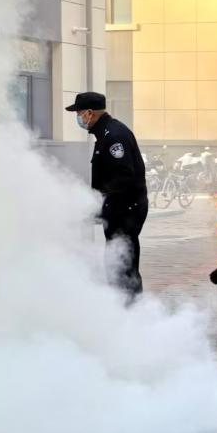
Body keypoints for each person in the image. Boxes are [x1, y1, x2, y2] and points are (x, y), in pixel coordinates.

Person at [66, 92, 147, 300]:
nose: (78, 117)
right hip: (119, 208)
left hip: (125, 209)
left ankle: (129, 306)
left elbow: (123, 177)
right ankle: (123, 303)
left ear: (89, 113)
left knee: (122, 261)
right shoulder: (106, 132)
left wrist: (101, 202)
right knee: (117, 258)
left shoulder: (113, 136)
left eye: (78, 113)